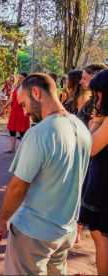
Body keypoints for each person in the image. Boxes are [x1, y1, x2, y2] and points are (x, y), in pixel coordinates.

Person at [0, 73, 92, 275]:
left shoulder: (39, 133)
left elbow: (18, 186)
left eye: (23, 104)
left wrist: (1, 221)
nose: (24, 112)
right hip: (66, 231)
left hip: (34, 232)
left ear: (36, 93)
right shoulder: (81, 127)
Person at [78, 70, 108, 275]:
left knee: (100, 236)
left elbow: (89, 148)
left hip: (104, 186)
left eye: (97, 95)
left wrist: (96, 121)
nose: (96, 100)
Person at [0, 72, 30, 153]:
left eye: (22, 78)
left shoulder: (28, 89)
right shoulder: (16, 89)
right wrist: (3, 107)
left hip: (23, 112)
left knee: (22, 131)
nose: (20, 79)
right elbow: (12, 99)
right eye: (19, 77)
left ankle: (24, 151)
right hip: (14, 112)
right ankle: (12, 148)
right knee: (12, 130)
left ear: (26, 79)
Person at [79, 63, 107, 129]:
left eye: (84, 78)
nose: (80, 82)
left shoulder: (100, 103)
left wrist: (96, 122)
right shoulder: (92, 100)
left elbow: (92, 138)